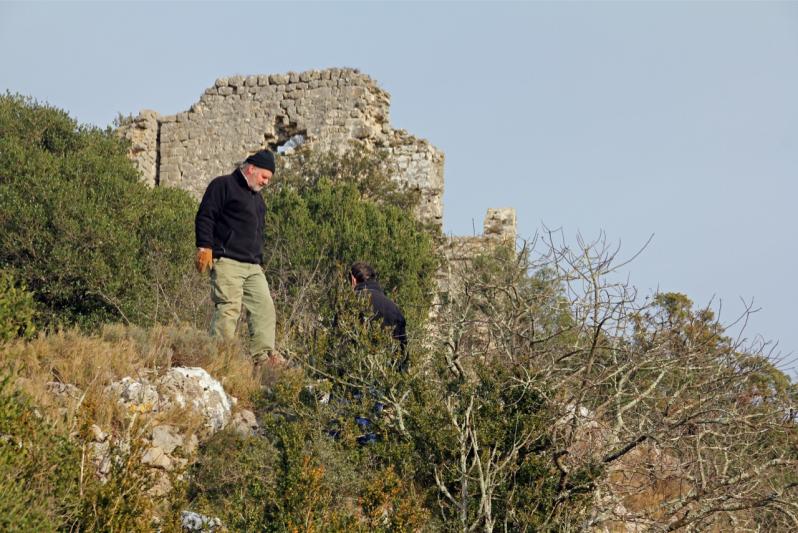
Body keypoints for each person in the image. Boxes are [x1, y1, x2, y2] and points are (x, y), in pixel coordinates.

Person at [195, 150, 281, 374]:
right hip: (227, 260)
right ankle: (218, 360)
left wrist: (259, 259)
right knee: (228, 308)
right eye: (264, 177)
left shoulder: (258, 199)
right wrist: (204, 247)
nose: (265, 182)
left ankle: (262, 359)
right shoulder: (222, 185)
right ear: (251, 169)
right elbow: (206, 215)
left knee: (265, 307)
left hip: (253, 266)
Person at [348, 261, 407, 355]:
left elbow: (336, 343)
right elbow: (402, 353)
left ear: (353, 280)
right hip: (386, 367)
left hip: (355, 365)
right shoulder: (393, 308)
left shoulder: (349, 304)